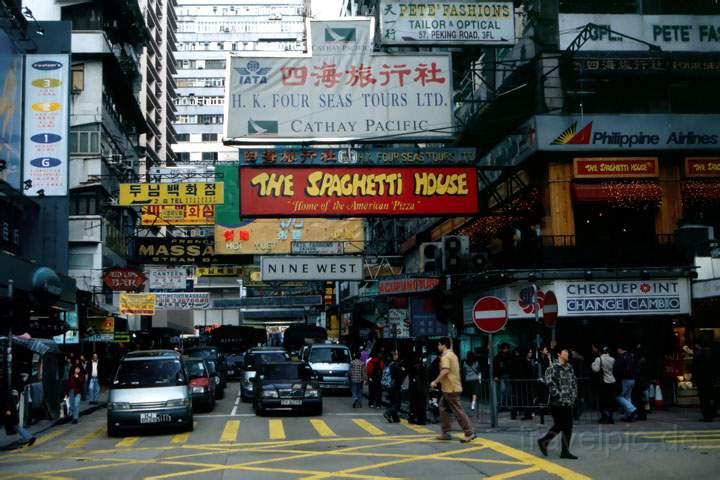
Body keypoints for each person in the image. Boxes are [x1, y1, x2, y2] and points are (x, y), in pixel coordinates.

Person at [430, 337, 475, 443]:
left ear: (443, 345)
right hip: (450, 387)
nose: (438, 346)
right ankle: (445, 432)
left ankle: (469, 432)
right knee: (442, 407)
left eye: (439, 344)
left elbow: (445, 370)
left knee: (458, 411)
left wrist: (435, 381)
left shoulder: (445, 356)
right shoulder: (453, 354)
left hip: (451, 388)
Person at [537, 348, 578, 460]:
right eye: (565, 352)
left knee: (568, 426)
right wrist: (558, 395)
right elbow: (549, 383)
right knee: (560, 425)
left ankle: (565, 451)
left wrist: (573, 396)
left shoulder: (570, 367)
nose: (568, 354)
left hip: (568, 401)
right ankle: (543, 441)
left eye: (568, 353)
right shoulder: (553, 368)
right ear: (559, 354)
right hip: (557, 402)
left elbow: (574, 382)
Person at [591, 346, 616, 424]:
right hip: (612, 381)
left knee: (602, 400)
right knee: (611, 400)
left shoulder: (599, 359)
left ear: (600, 352)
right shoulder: (612, 359)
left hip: (603, 382)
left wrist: (593, 364)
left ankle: (604, 417)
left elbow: (596, 369)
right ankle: (611, 417)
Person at [693, 339, 717, 422]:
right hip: (712, 379)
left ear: (699, 345)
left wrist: (694, 381)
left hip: (702, 380)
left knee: (704, 399)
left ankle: (707, 416)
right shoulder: (713, 354)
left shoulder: (698, 355)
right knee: (712, 397)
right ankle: (713, 413)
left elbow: (695, 369)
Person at [509, 348, 534, 420]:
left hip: (520, 384)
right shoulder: (523, 361)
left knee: (518, 399)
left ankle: (515, 414)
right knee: (523, 399)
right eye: (529, 352)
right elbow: (528, 373)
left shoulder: (518, 361)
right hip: (523, 384)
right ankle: (526, 414)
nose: (530, 354)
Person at [615, 345, 637, 422]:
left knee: (619, 396)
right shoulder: (631, 355)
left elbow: (618, 368)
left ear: (620, 349)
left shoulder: (622, 357)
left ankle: (632, 409)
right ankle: (628, 415)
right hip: (632, 379)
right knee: (628, 397)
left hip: (625, 379)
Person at [383, 351, 404, 423]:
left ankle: (395, 418)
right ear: (394, 356)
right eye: (396, 354)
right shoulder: (396, 365)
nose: (397, 356)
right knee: (398, 403)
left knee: (393, 402)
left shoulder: (390, 364)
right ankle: (388, 413)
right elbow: (399, 377)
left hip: (390, 386)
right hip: (396, 386)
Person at [494, 343, 512, 410]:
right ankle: (502, 405)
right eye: (505, 348)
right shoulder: (499, 357)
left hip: (506, 375)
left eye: (507, 348)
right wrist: (496, 375)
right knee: (503, 390)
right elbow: (496, 366)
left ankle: (504, 405)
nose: (506, 350)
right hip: (502, 375)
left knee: (507, 391)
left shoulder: (508, 356)